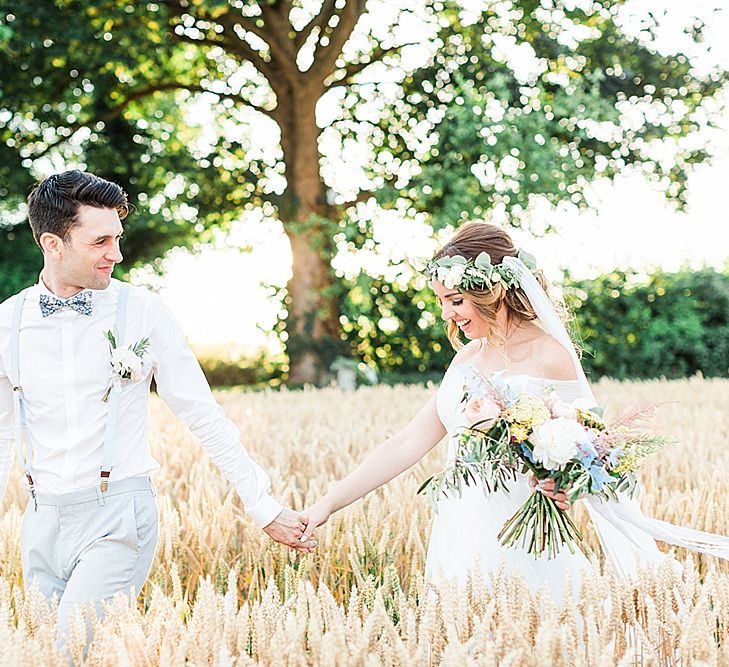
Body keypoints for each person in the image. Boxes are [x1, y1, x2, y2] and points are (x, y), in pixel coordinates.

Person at [299, 221, 729, 599]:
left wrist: (565, 485)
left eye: (456, 301)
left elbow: (590, 452)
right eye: (443, 302)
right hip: (459, 531)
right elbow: (406, 443)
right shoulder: (466, 359)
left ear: (493, 289)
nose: (447, 314)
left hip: (525, 538)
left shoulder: (551, 355)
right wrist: (326, 505)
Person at [0, 170, 316, 649]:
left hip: (117, 518)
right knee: (45, 654)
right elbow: (3, 434)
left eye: (118, 239)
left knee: (69, 649)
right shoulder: (9, 321)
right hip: (41, 522)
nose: (117, 254)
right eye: (101, 241)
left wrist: (262, 505)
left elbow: (203, 414)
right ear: (53, 243)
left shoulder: (142, 311)